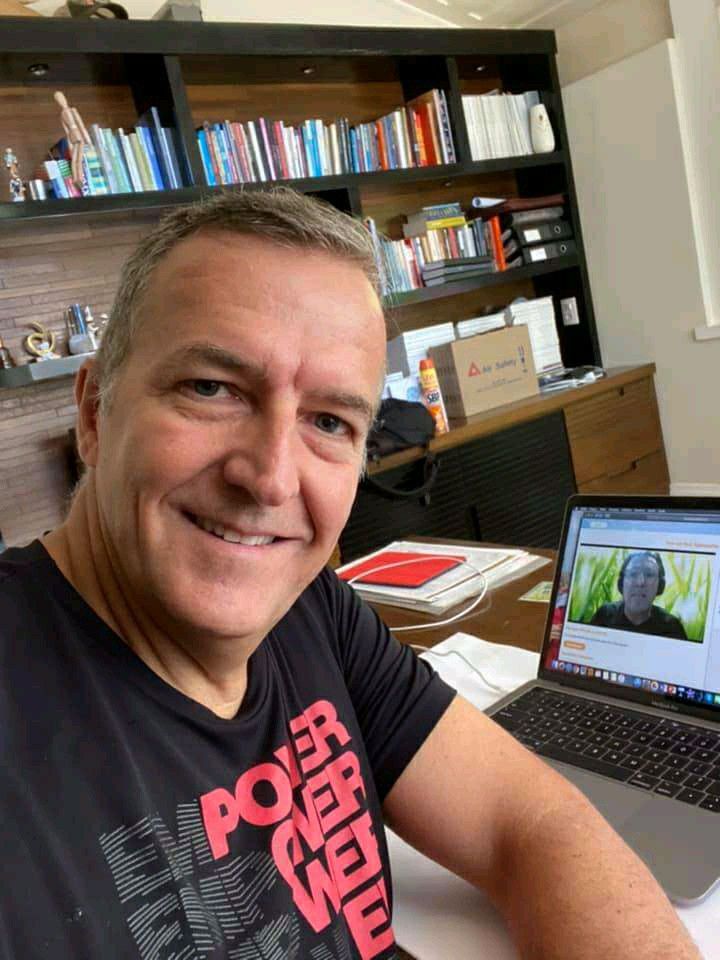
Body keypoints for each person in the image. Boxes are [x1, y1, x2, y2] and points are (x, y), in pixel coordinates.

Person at [0, 189, 699, 959]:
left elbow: (527, 821)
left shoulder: (309, 611)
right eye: (211, 388)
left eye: (330, 422)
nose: (270, 479)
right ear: (95, 412)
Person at [591, 551, 688, 639]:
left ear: (660, 585)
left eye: (649, 575)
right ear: (621, 583)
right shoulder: (604, 615)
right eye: (633, 574)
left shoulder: (672, 627)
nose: (640, 582)